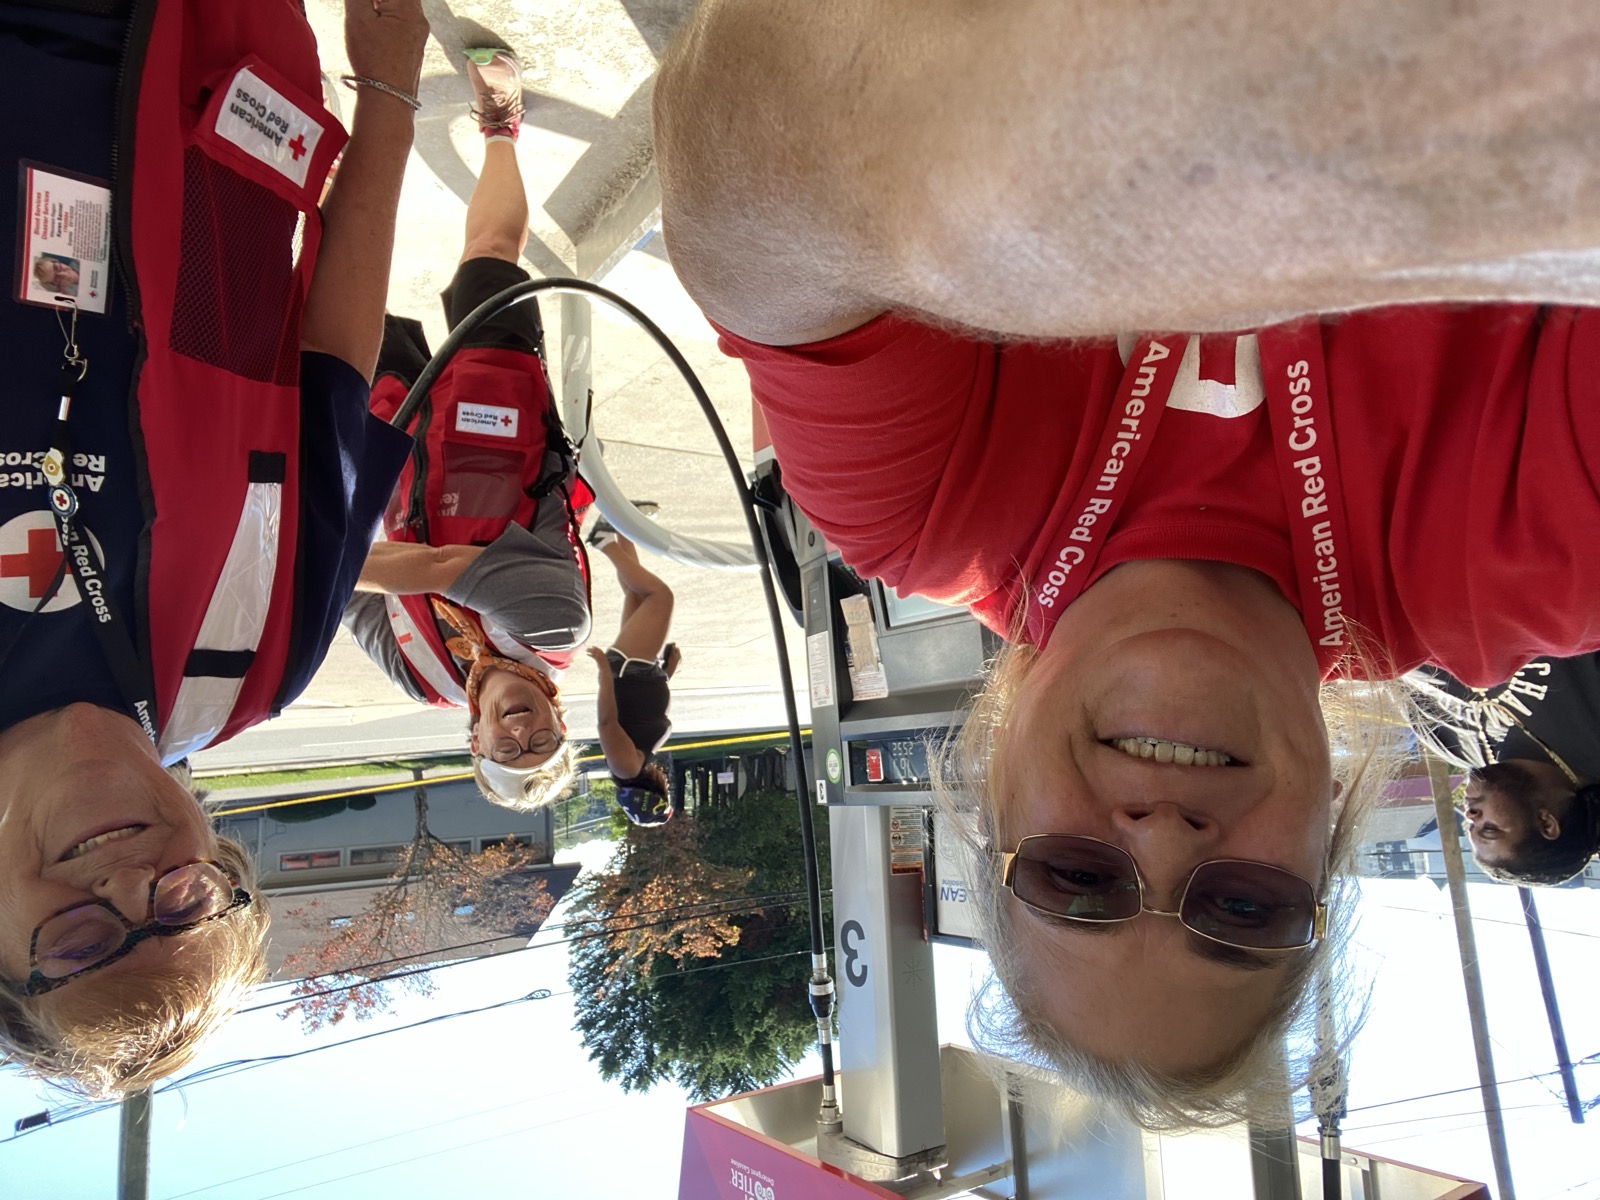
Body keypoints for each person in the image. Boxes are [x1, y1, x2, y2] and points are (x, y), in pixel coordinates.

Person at [653, 0, 1600, 1130]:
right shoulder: (1533, 556)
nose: (1160, 840)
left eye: (1077, 881)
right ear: (1330, 826)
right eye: (1242, 908)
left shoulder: (925, 510)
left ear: (992, 786)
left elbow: (743, 141)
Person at [0, 0, 425, 1096]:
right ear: (221, 867)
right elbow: (334, 359)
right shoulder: (253, 660)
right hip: (176, 54)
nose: (135, 884)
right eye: (182, 908)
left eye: (80, 947)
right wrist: (389, 96)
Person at [342, 48, 593, 813]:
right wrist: (298, 564)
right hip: (494, 426)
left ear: (476, 744)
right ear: (559, 719)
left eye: (509, 753)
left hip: (388, 439)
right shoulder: (559, 628)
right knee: (490, 256)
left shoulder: (420, 676)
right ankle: (501, 129)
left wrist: (328, 547)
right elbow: (435, 567)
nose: (522, 734)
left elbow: (350, 606)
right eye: (543, 742)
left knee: (345, 283)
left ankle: (339, 149)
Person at [1410, 658, 1600, 885]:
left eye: (1471, 826)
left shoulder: (1448, 743)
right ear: (1546, 822)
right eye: (1489, 829)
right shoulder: (1591, 727)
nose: (1470, 815)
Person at [585, 527, 680, 827]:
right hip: (642, 670)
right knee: (637, 594)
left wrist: (603, 673)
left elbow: (607, 723)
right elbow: (641, 714)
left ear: (657, 793)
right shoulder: (637, 764)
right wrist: (667, 673)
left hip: (628, 670)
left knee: (660, 596)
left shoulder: (626, 768)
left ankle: (605, 542)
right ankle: (621, 525)